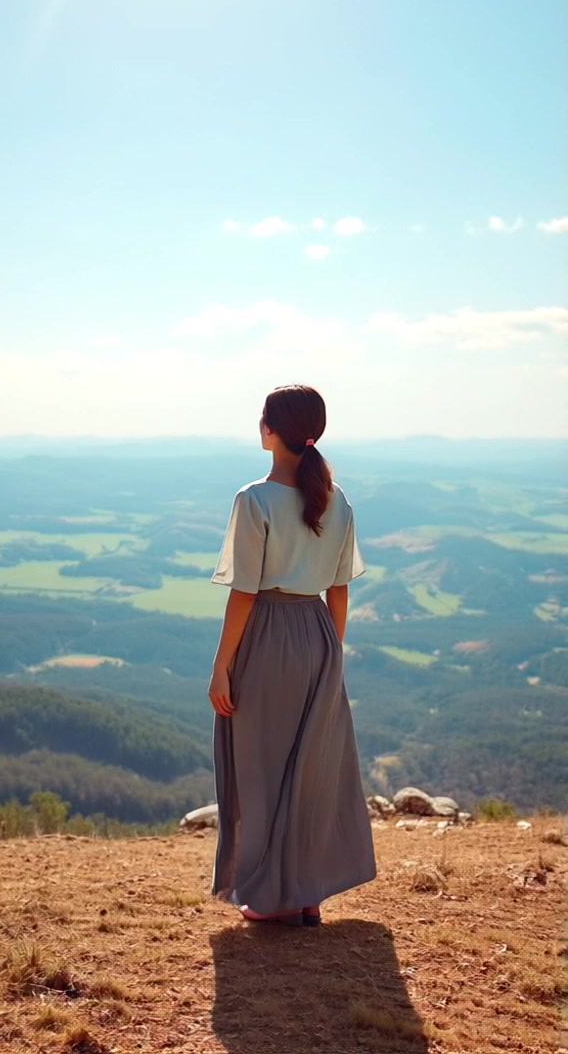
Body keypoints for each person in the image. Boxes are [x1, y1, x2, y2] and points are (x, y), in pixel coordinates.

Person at [208, 384, 376, 927]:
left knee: (260, 766)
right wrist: (331, 656)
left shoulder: (254, 500)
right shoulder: (337, 498)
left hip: (268, 637)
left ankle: (270, 896)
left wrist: (221, 666)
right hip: (321, 635)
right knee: (310, 769)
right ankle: (306, 894)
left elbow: (245, 592)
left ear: (270, 431)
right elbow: (340, 590)